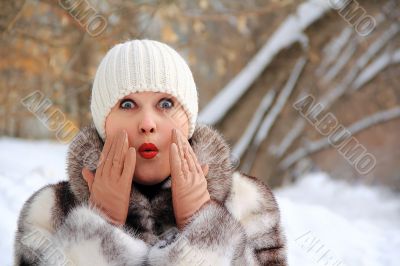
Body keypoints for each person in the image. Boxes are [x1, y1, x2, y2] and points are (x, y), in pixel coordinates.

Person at [14, 39, 287, 265]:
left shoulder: (247, 205)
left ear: (188, 120)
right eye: (127, 104)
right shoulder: (49, 212)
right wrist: (98, 226)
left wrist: (205, 229)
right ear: (103, 122)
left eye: (166, 103)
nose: (147, 124)